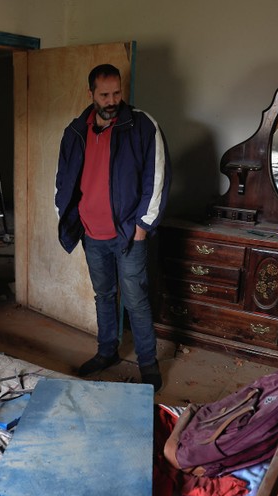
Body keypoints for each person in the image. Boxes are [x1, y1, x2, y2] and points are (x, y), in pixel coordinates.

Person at [54, 64, 172, 391]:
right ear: (90, 94)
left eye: (117, 93)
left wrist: (143, 226)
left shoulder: (142, 126)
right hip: (92, 234)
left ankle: (147, 361)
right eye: (104, 94)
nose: (112, 100)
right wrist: (66, 216)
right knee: (104, 295)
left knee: (135, 299)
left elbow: (157, 178)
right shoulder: (75, 131)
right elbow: (63, 179)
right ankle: (107, 352)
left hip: (129, 235)